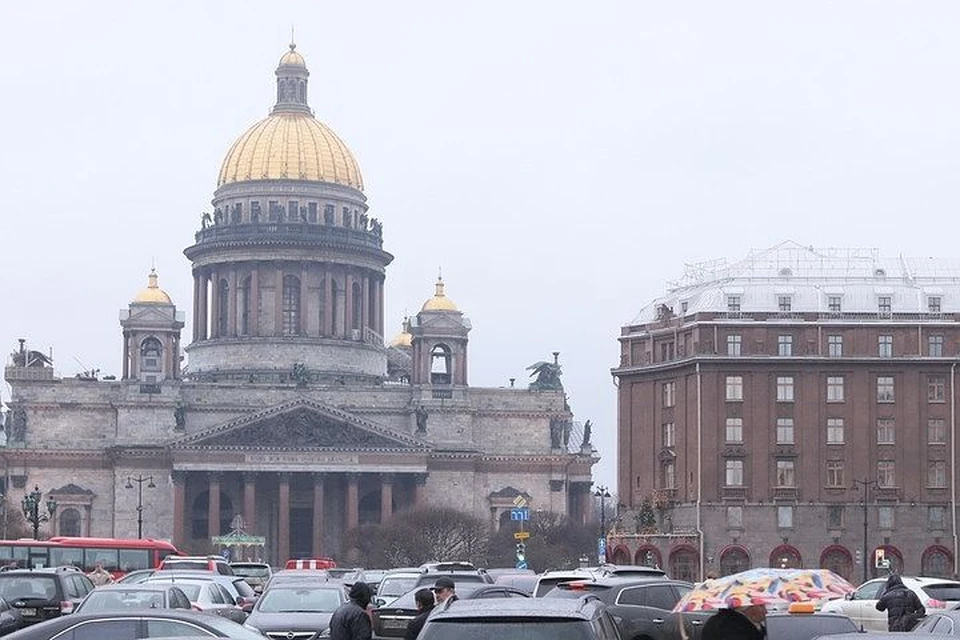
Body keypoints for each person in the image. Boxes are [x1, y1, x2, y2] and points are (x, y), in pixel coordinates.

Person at [701, 605, 766, 640]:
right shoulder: (733, 626)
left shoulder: (717, 620)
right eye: (761, 606)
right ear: (747, 608)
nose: (765, 611)